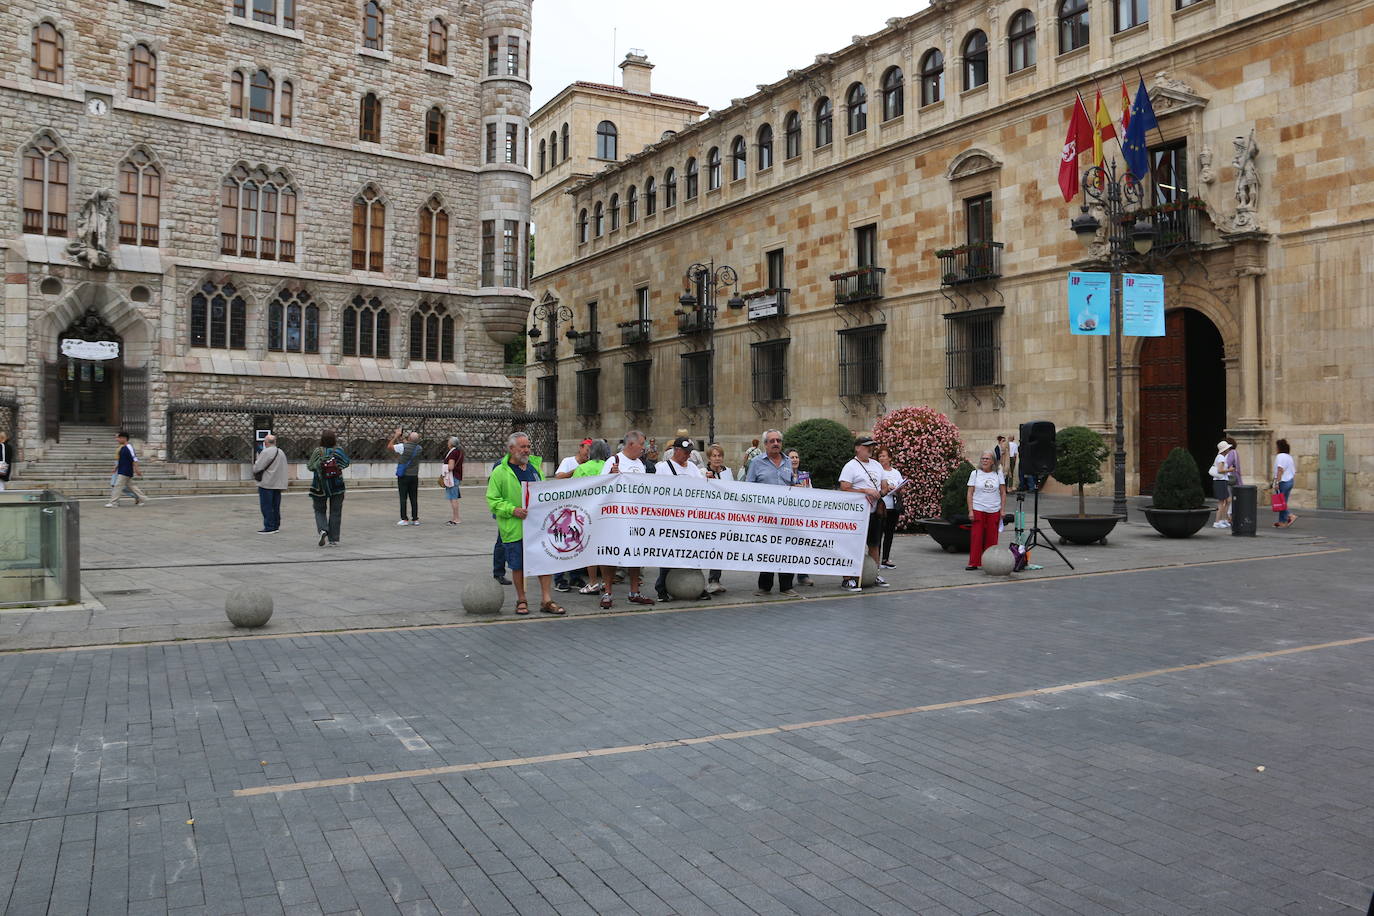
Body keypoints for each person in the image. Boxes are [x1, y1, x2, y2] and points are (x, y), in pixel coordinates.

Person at [486, 431, 564, 616]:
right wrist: (513, 510)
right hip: (514, 527)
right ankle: (521, 599)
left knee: (544, 562)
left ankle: (546, 599)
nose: (527, 450)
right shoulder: (500, 472)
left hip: (538, 527)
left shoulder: (535, 469)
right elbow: (493, 500)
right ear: (511, 449)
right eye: (523, 447)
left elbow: (544, 492)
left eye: (528, 446)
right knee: (518, 565)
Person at [745, 428, 802, 599]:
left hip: (787, 516)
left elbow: (793, 483)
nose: (776, 443)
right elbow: (749, 487)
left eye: (778, 440)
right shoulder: (756, 463)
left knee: (788, 549)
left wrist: (797, 488)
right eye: (772, 441)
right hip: (765, 517)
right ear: (765, 444)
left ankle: (786, 586)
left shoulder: (787, 462)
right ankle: (765, 586)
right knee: (768, 550)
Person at [603, 430, 654, 608]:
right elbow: (600, 488)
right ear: (631, 444)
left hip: (635, 517)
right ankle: (607, 593)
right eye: (642, 444)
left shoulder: (640, 464)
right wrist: (611, 475)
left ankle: (634, 591)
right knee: (609, 555)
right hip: (616, 518)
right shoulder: (613, 461)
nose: (644, 448)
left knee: (635, 555)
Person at [655, 436, 705, 602]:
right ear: (675, 451)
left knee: (692, 551)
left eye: (690, 452)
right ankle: (661, 587)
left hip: (691, 519)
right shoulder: (662, 468)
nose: (688, 455)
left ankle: (696, 585)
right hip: (671, 519)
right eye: (685, 452)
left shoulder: (692, 467)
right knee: (669, 553)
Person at [837, 437, 890, 592]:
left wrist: (881, 492)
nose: (870, 449)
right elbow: (845, 488)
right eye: (866, 446)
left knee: (874, 545)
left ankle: (874, 574)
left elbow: (884, 486)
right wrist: (865, 491)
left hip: (874, 512)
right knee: (852, 546)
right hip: (856, 514)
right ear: (857, 448)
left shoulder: (877, 465)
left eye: (872, 446)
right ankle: (847, 578)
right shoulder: (850, 466)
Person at [551, 438, 592, 592]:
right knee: (562, 542)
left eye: (590, 452)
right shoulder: (568, 461)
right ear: (580, 448)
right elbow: (558, 477)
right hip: (565, 508)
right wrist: (576, 472)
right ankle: (559, 578)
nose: (588, 454)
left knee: (578, 543)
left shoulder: (589, 464)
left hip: (581, 509)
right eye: (587, 450)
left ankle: (575, 576)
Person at [572, 439, 613, 597]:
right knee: (603, 549)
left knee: (590, 549)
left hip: (588, 513)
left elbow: (574, 490)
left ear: (590, 452)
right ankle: (605, 582)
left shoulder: (582, 468)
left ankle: (593, 582)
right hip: (607, 514)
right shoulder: (609, 467)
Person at [307, 430, 350, 546]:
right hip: (337, 485)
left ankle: (323, 530)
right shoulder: (339, 451)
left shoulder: (317, 451)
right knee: (336, 512)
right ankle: (333, 539)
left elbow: (310, 466)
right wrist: (336, 465)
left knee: (319, 510)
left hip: (320, 486)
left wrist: (320, 465)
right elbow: (346, 462)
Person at [965, 451, 1006, 570]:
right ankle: (974, 563)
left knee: (992, 538)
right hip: (978, 508)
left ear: (993, 461)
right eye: (982, 458)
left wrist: (1002, 510)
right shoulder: (975, 473)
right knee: (976, 537)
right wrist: (970, 510)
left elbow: (1003, 492)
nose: (984, 461)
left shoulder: (998, 473)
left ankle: (989, 562)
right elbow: (970, 493)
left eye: (987, 459)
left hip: (994, 509)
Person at [703, 444, 734, 594]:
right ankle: (710, 580)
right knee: (711, 548)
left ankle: (716, 579)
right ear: (709, 458)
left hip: (724, 515)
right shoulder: (703, 472)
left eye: (719, 455)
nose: (717, 458)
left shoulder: (727, 472)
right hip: (709, 516)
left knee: (720, 548)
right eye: (714, 456)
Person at [787, 448, 816, 587]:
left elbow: (811, 493)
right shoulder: (783, 475)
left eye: (796, 457)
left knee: (803, 546)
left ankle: (803, 575)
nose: (795, 459)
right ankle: (787, 577)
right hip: (788, 517)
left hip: (802, 516)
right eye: (791, 457)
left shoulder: (805, 476)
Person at [875, 445, 905, 569]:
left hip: (893, 506)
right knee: (878, 534)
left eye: (884, 456)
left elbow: (900, 489)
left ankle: (885, 559)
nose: (881, 458)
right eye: (879, 456)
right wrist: (887, 488)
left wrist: (899, 489)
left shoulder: (896, 472)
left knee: (889, 534)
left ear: (890, 458)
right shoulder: (876, 471)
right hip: (881, 506)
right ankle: (875, 560)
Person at [252, 433, 288, 533]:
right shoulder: (281, 452)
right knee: (275, 506)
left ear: (266, 442)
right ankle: (276, 525)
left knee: (266, 506)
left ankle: (269, 526)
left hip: (267, 483)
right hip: (278, 483)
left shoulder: (266, 452)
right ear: (275, 442)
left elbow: (257, 468)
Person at [387, 428, 424, 526]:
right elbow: (409, 444)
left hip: (404, 476)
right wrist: (402, 437)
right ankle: (415, 519)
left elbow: (390, 446)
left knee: (403, 498)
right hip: (414, 476)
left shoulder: (402, 447)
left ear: (409, 439)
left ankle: (404, 519)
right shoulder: (419, 448)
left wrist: (396, 436)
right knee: (414, 498)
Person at [106, 430, 149, 507]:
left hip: (126, 470)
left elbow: (134, 458)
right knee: (132, 486)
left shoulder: (129, 447)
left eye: (119, 438)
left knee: (118, 486)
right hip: (122, 469)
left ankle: (113, 502)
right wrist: (116, 467)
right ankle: (143, 498)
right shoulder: (122, 448)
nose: (117, 439)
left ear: (124, 438)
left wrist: (137, 469)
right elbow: (121, 460)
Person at [1210, 437, 1239, 529]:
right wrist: (1229, 470)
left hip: (1221, 481)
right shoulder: (1221, 458)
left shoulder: (1219, 457)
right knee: (1222, 502)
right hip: (1220, 481)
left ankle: (1223, 519)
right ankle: (1218, 521)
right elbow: (1220, 470)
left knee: (1226, 501)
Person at [1273, 438, 1297, 528]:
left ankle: (1290, 516)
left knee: (1280, 502)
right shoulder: (1289, 457)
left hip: (1283, 481)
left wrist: (1276, 482)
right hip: (1290, 481)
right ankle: (1282, 522)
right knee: (1283, 501)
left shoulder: (1280, 456)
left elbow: (1280, 469)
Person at [442, 436, 464, 526]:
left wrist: (443, 467)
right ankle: (455, 518)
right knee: (453, 498)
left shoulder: (453, 453)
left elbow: (451, 467)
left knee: (453, 498)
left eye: (448, 442)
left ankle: (456, 518)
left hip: (452, 478)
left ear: (451, 444)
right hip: (456, 476)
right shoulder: (459, 452)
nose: (447, 443)